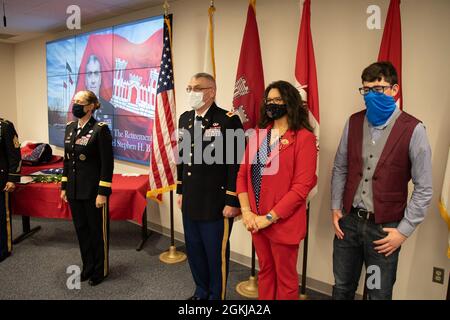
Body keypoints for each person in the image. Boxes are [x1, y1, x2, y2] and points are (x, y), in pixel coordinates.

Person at [331, 61, 433, 300]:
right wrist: (336, 207)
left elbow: (424, 188)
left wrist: (403, 231)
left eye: (377, 89)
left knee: (377, 293)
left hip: (383, 232)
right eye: (366, 90)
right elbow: (340, 167)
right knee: (343, 287)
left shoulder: (413, 129)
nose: (370, 95)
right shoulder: (354, 122)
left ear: (394, 90)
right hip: (349, 224)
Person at [236, 80, 317, 300]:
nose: (272, 104)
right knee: (265, 272)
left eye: (277, 100)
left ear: (290, 102)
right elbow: (242, 175)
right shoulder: (258, 135)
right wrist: (246, 212)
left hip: (282, 222)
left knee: (286, 279)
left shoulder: (304, 138)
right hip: (255, 221)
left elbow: (301, 188)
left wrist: (269, 217)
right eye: (269, 100)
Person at [176, 73, 243, 300]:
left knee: (215, 255)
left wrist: (232, 200)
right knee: (194, 251)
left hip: (216, 203)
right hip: (191, 200)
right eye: (189, 87)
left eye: (196, 87)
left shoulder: (228, 120)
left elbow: (236, 165)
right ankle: (201, 292)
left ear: (211, 91)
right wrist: (181, 191)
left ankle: (216, 298)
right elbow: (182, 158)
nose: (191, 92)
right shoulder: (184, 118)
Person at [60, 90, 114, 286]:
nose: (75, 104)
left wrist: (103, 193)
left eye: (80, 101)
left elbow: (107, 165)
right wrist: (64, 186)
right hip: (74, 190)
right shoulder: (70, 128)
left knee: (96, 231)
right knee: (81, 230)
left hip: (93, 192)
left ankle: (100, 269)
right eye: (74, 101)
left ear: (90, 106)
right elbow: (67, 161)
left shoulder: (100, 129)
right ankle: (88, 266)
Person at [0, 118, 21, 263]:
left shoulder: (5, 127)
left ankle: (3, 249)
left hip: (1, 179)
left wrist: (12, 178)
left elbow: (15, 155)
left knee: (2, 215)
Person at [84, 55, 115, 130]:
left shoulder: (110, 108)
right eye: (89, 74)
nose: (93, 81)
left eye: (96, 74)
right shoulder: (78, 108)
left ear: (100, 79)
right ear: (85, 80)